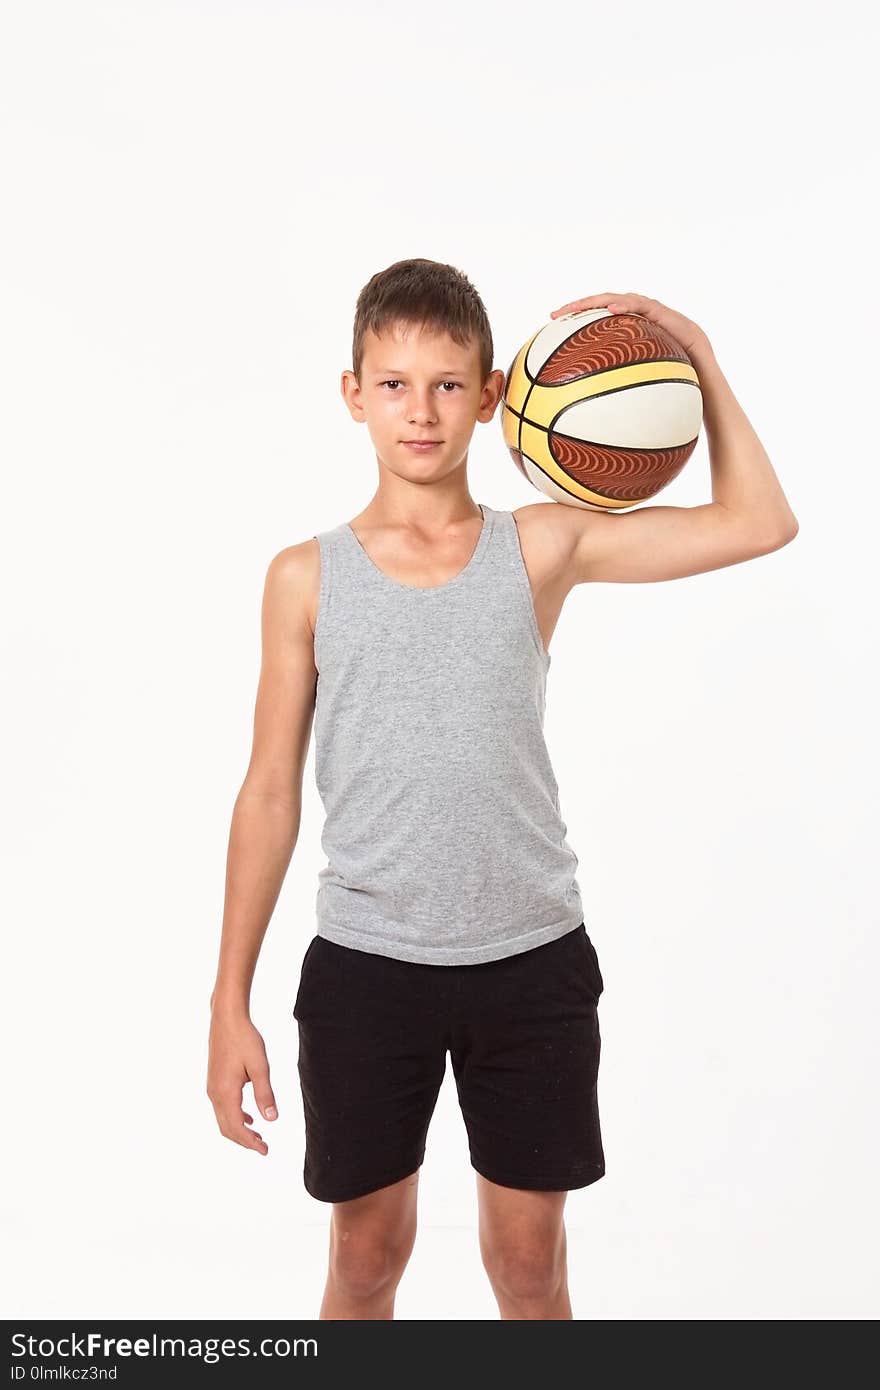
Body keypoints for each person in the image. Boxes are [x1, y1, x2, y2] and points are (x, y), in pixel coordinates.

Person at [207, 259, 799, 1320]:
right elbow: (266, 794)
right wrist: (227, 998)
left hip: (529, 960)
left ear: (490, 396)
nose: (419, 410)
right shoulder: (305, 573)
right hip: (367, 965)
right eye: (393, 384)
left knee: (528, 1267)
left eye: (446, 384)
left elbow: (759, 522)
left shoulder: (540, 544)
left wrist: (696, 358)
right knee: (363, 1257)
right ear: (353, 394)